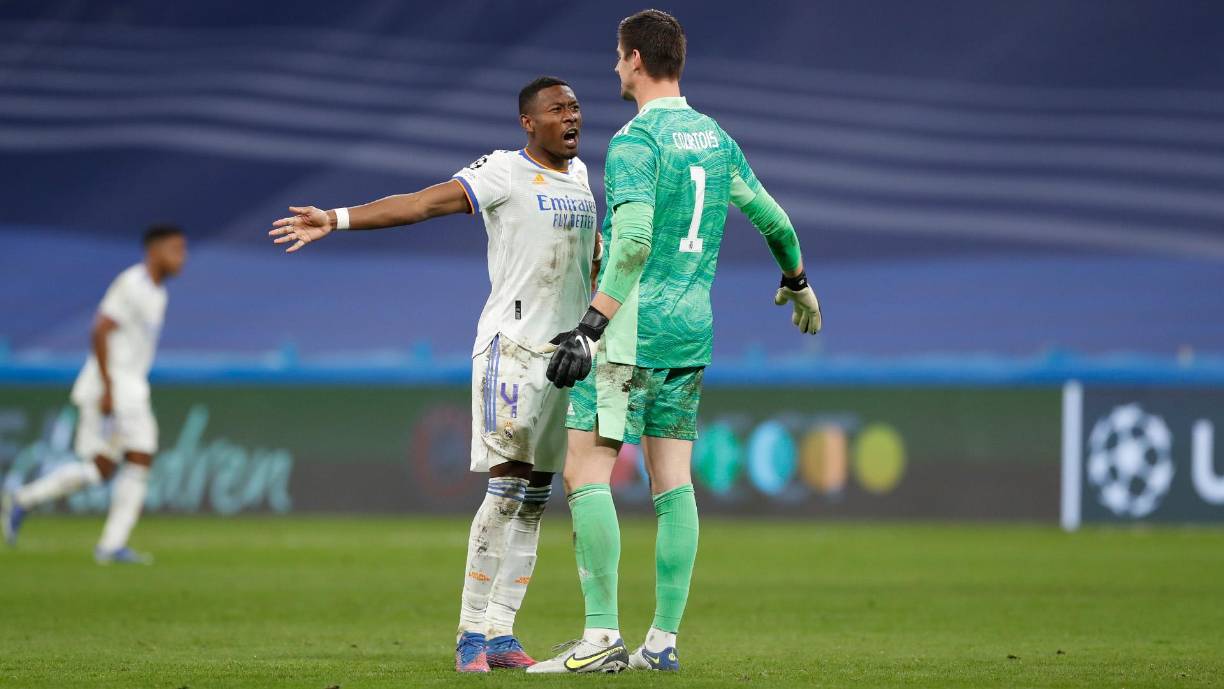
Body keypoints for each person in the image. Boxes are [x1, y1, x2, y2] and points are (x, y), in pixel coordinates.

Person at [265, 77, 600, 673]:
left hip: (564, 357)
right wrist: (336, 219)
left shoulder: (580, 181)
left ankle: (502, 632)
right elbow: (423, 204)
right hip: (512, 350)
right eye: (557, 109)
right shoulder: (502, 170)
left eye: (575, 108)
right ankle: (470, 634)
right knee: (507, 486)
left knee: (537, 498)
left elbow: (590, 263)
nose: (571, 117)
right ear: (529, 122)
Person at [528, 10, 822, 674]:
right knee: (673, 483)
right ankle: (662, 640)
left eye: (616, 56)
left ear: (634, 60)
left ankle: (601, 635)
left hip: (631, 335)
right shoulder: (714, 139)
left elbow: (630, 245)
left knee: (584, 472)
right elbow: (772, 218)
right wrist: (798, 280)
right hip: (692, 332)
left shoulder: (636, 142)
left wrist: (590, 326)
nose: (613, 67)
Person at [2, 224, 189, 565]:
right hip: (113, 385)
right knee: (104, 466)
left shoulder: (158, 292)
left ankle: (106, 542)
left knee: (131, 459)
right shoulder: (132, 283)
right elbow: (100, 328)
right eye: (175, 249)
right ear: (154, 250)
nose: (182, 257)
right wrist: (107, 387)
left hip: (132, 387)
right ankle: (27, 501)